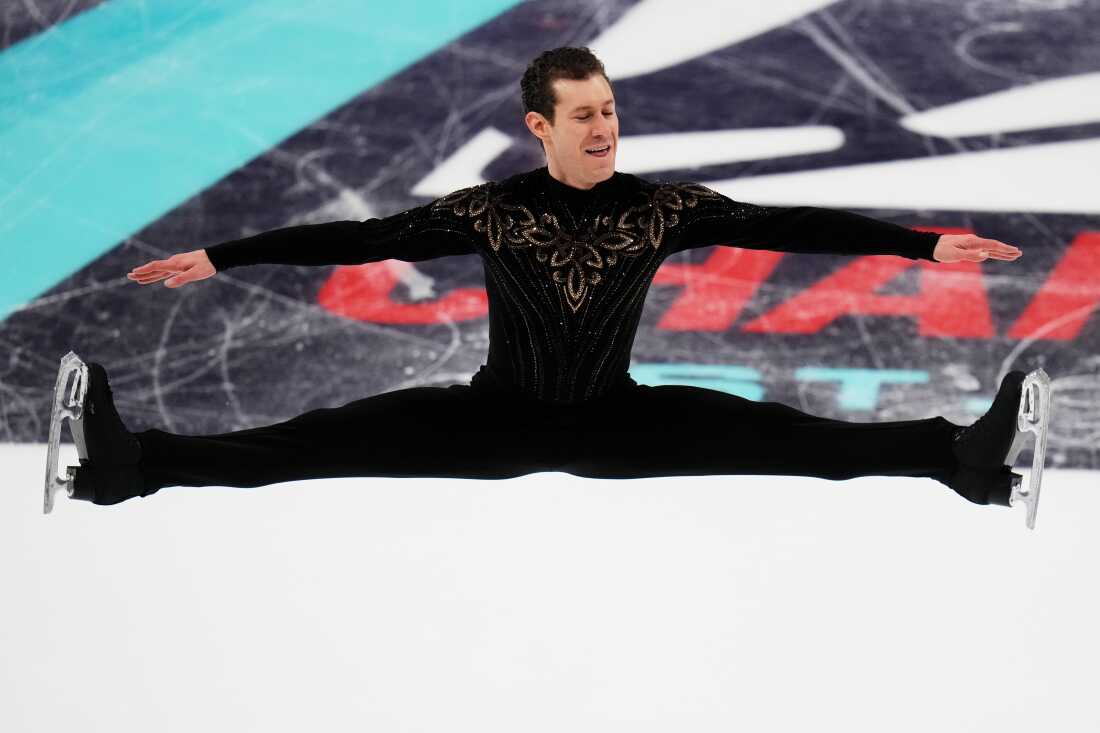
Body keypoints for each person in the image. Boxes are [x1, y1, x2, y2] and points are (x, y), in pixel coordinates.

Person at [64, 46, 1027, 509]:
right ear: (541, 127)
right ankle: (126, 468)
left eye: (610, 110)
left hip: (620, 421)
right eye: (584, 117)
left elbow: (793, 224)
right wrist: (222, 256)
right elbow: (358, 241)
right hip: (492, 422)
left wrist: (922, 245)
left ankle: (964, 462)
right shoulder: (490, 211)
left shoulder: (664, 207)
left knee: (795, 438)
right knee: (308, 441)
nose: (605, 129)